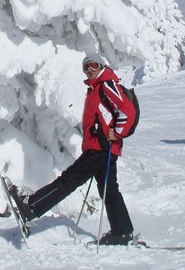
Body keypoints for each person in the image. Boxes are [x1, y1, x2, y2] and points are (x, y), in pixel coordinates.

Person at [9, 58, 136, 245]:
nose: (89, 70)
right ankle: (122, 231)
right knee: (109, 190)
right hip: (102, 148)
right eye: (86, 67)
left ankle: (31, 207)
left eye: (93, 65)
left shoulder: (106, 84)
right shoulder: (96, 88)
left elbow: (128, 111)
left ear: (102, 67)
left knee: (69, 180)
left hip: (100, 148)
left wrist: (115, 132)